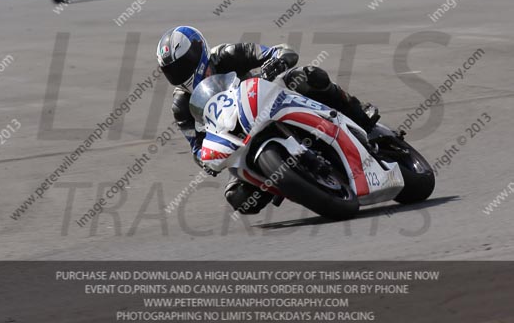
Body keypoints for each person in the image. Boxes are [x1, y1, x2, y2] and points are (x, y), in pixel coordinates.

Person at [156, 26, 380, 215]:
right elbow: (196, 145)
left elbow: (280, 52)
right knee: (238, 198)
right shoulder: (181, 106)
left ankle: (361, 117)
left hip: (270, 102)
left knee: (308, 75)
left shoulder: (227, 54)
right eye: (172, 71)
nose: (180, 73)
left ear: (199, 51)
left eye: (184, 65)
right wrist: (205, 159)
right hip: (239, 141)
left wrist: (277, 61)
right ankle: (289, 183)